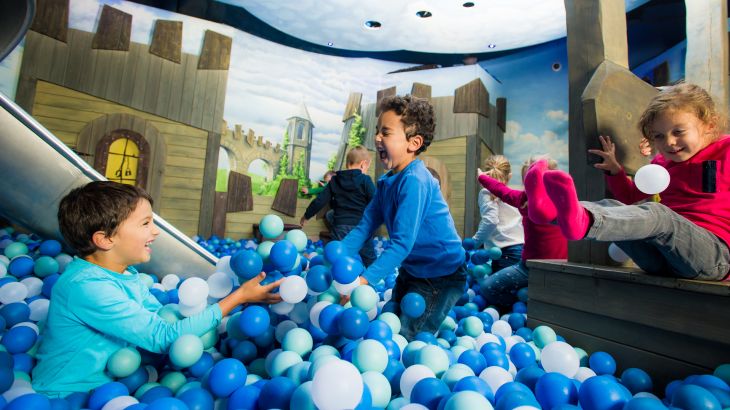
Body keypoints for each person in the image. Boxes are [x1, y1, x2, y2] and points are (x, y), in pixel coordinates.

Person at [32, 181, 283, 397]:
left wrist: (233, 308)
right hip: (64, 396)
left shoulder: (125, 273)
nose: (155, 230)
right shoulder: (85, 287)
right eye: (145, 223)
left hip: (117, 389)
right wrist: (238, 297)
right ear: (106, 239)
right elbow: (165, 338)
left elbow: (162, 318)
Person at [533, 82, 730, 281]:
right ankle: (549, 211)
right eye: (659, 136)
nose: (669, 142)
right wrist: (616, 172)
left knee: (659, 214)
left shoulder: (726, 149)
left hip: (713, 257)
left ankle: (587, 222)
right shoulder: (662, 162)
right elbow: (630, 197)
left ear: (709, 125)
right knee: (612, 206)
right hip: (661, 259)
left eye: (678, 132)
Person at [340, 95, 467, 340]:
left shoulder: (415, 180)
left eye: (385, 132)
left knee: (409, 337)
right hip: (413, 269)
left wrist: (363, 282)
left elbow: (401, 243)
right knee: (389, 323)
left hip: (441, 274)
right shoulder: (387, 182)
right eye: (377, 131)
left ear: (413, 142)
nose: (376, 137)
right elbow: (365, 226)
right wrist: (336, 256)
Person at [475, 155, 567, 309]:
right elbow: (501, 190)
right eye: (527, 181)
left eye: (532, 179)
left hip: (523, 261)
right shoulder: (525, 198)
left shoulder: (525, 200)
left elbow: (495, 207)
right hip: (537, 260)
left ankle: (522, 306)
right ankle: (524, 304)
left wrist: (483, 178)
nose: (529, 185)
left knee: (488, 288)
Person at [300, 146, 377, 266]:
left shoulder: (334, 181)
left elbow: (320, 201)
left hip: (340, 226)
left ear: (347, 163)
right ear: (363, 164)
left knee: (337, 259)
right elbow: (376, 201)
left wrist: (306, 215)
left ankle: (335, 281)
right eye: (368, 167)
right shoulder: (365, 180)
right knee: (369, 259)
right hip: (361, 227)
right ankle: (373, 282)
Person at [472, 155, 524, 272]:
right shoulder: (512, 194)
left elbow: (491, 221)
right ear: (509, 175)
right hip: (522, 249)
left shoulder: (486, 192)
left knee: (494, 290)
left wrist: (474, 242)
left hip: (505, 252)